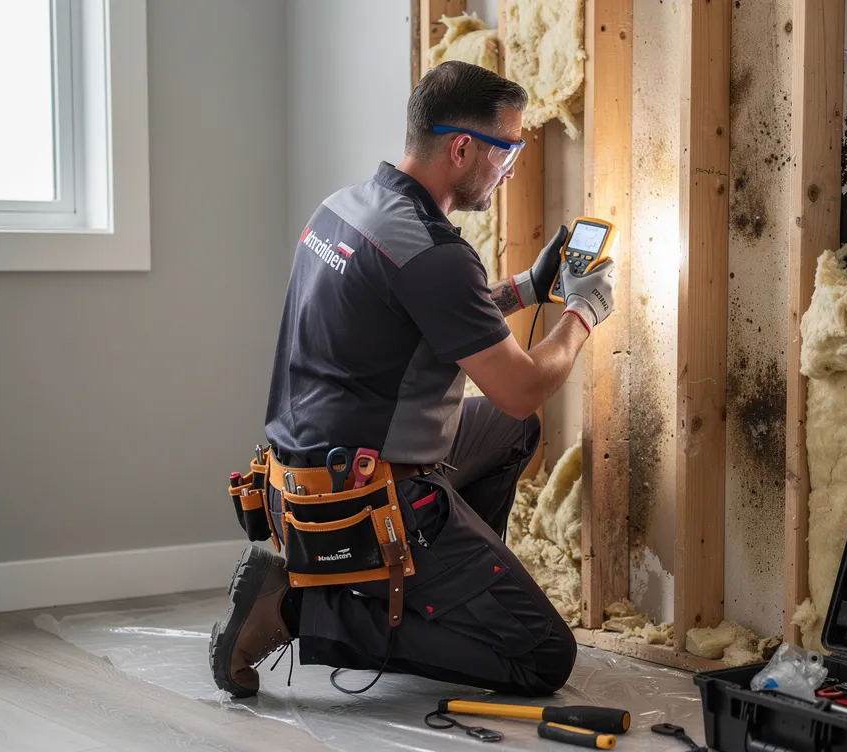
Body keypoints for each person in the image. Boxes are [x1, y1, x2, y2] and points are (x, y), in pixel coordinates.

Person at [208, 60, 617, 699]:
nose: (510, 168)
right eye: (506, 150)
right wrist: (583, 310)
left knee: (511, 431)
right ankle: (297, 612)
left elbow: (413, 319)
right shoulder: (436, 254)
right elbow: (522, 384)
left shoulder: (346, 208)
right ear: (462, 148)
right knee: (543, 657)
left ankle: (454, 583)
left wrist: (529, 289)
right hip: (358, 501)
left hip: (300, 483)